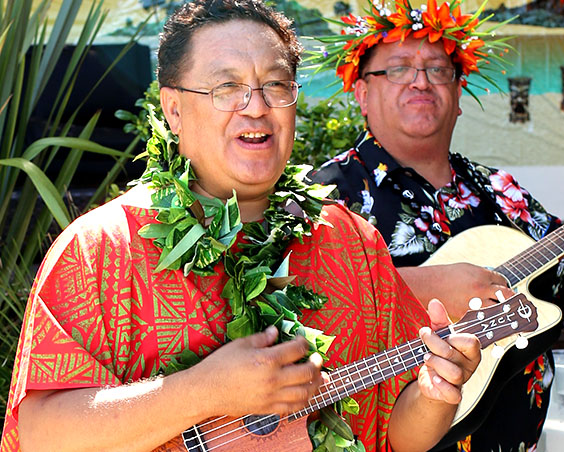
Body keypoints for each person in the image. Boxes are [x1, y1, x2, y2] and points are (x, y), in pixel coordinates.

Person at [0, 1, 482, 452]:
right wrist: (202, 391)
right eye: (226, 87)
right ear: (173, 110)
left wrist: (437, 393)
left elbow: (398, 431)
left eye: (275, 85)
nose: (256, 106)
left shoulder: (350, 241)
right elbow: (42, 434)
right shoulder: (101, 248)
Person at [309, 0, 564, 451]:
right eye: (399, 68)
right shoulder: (325, 197)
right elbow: (295, 304)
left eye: (438, 69)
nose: (421, 80)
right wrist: (422, 284)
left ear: (459, 96)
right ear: (361, 92)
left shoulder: (501, 191)